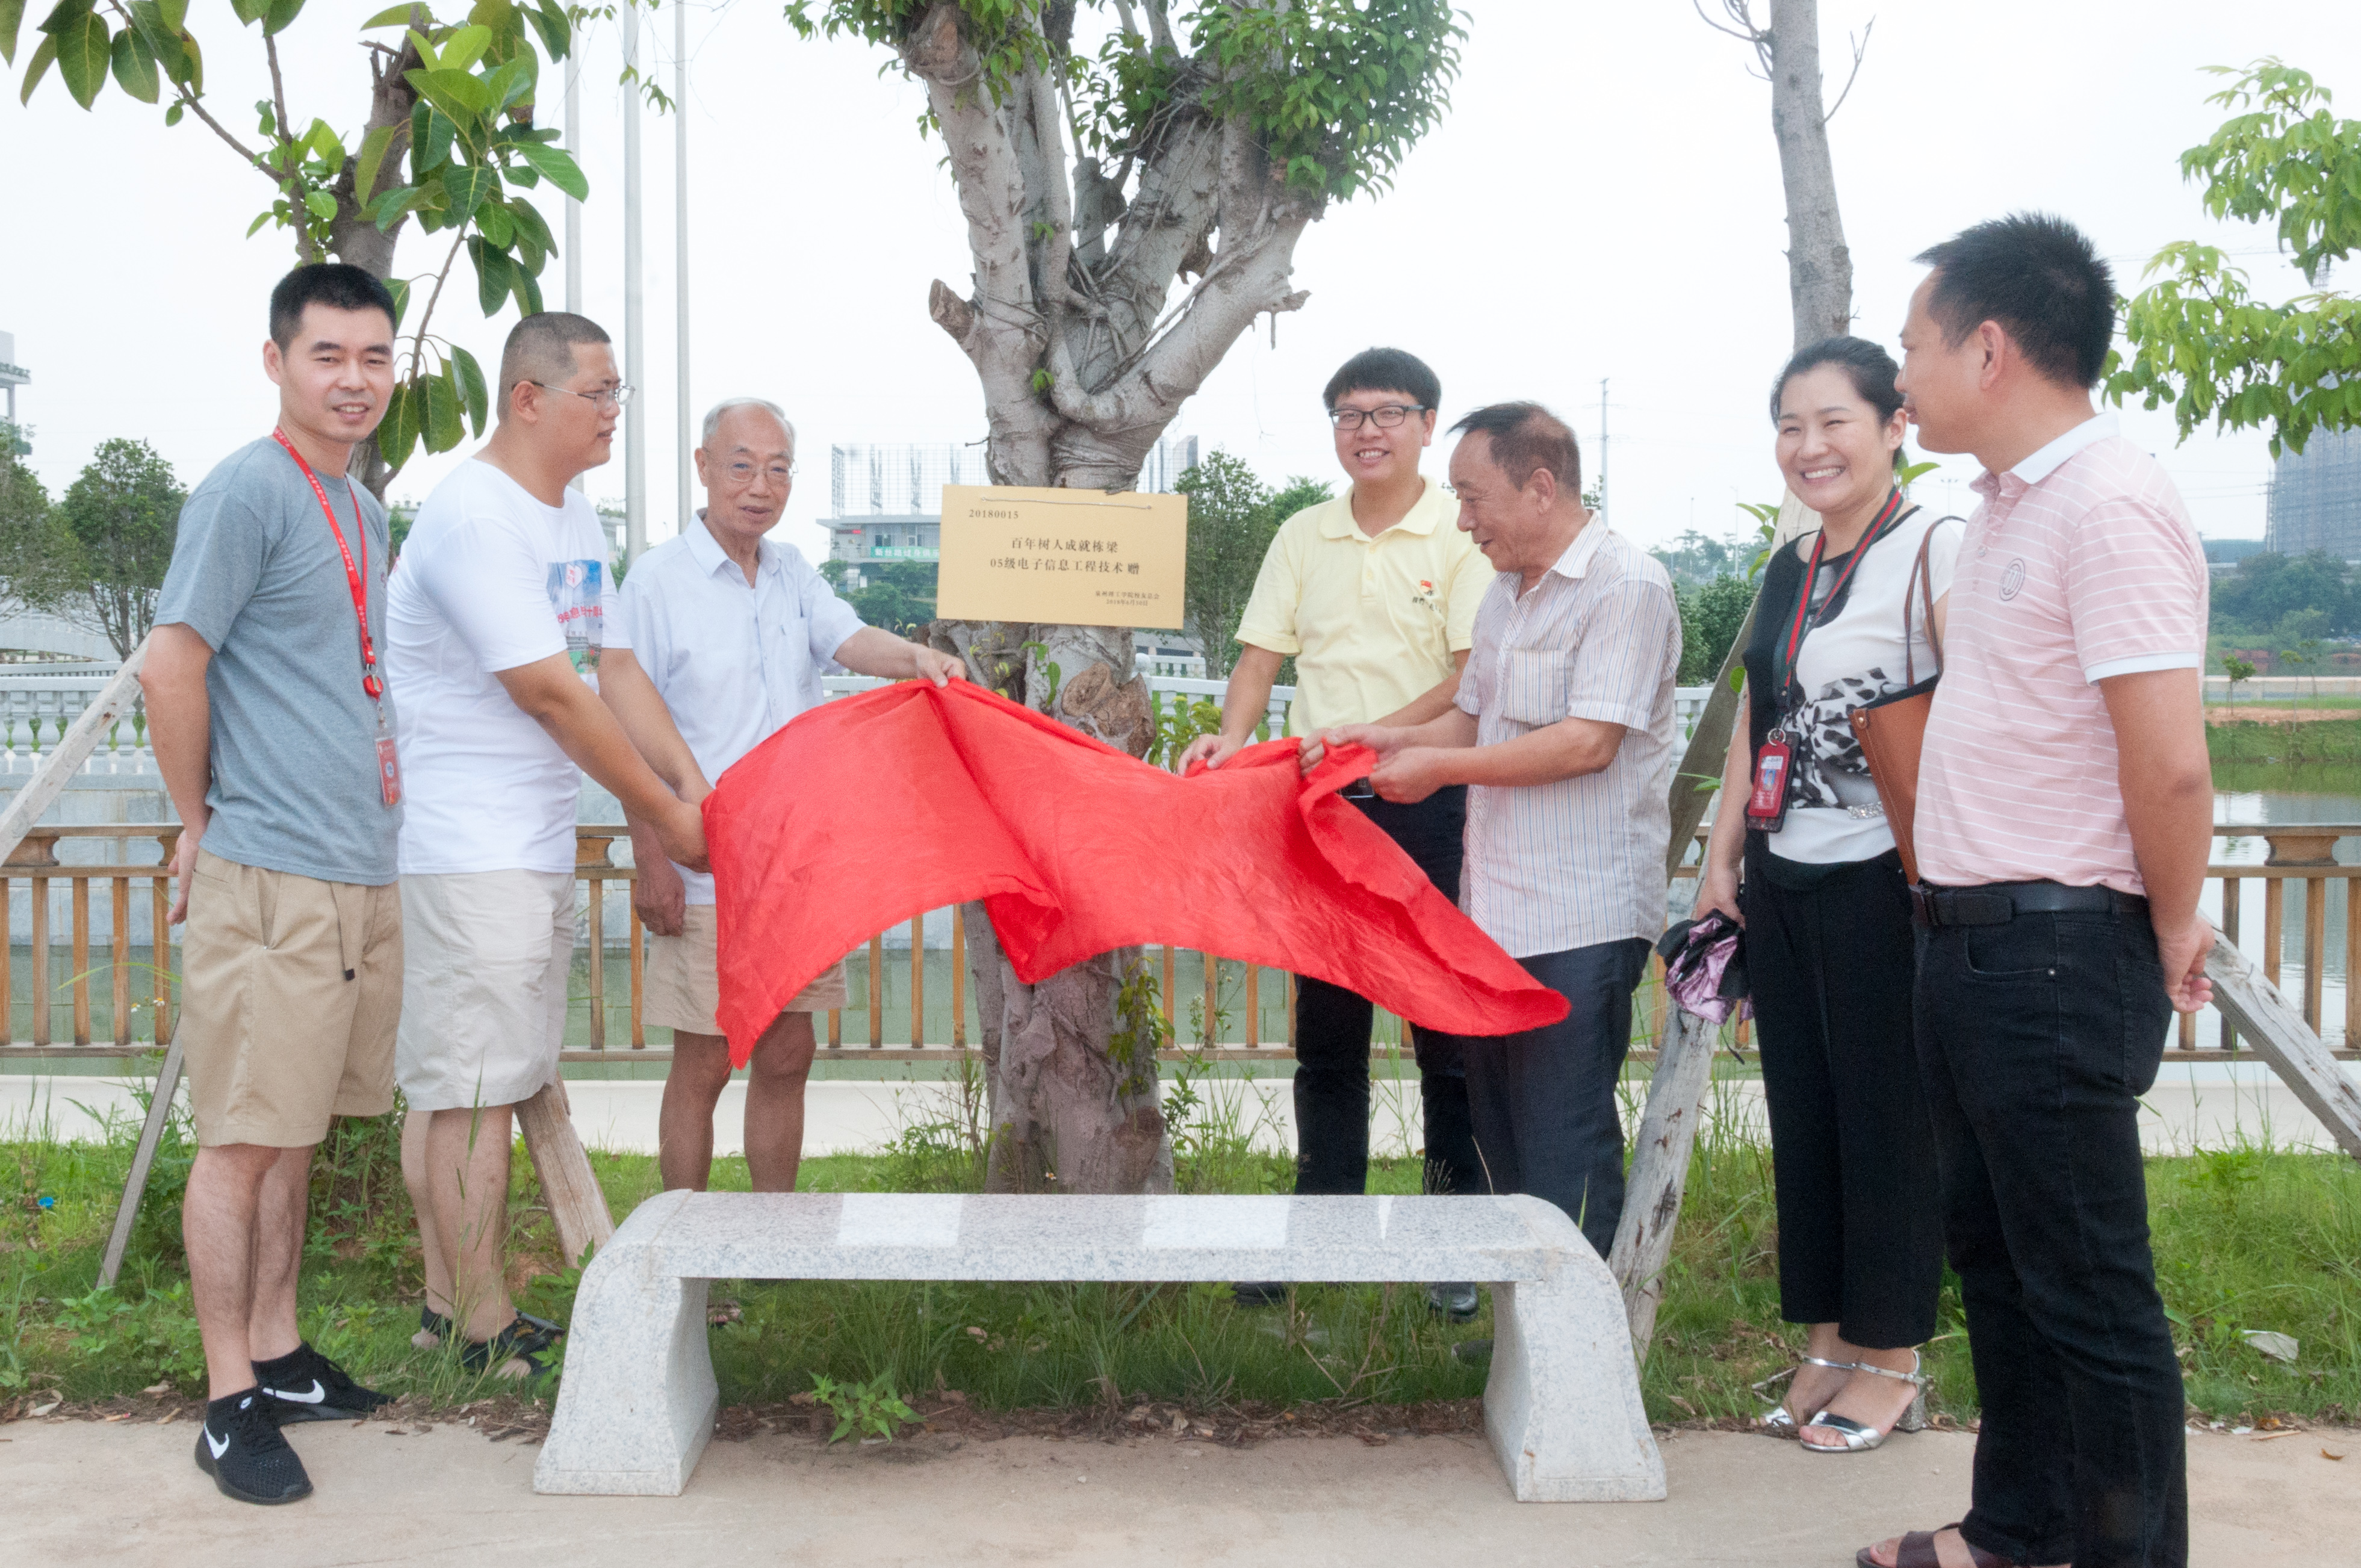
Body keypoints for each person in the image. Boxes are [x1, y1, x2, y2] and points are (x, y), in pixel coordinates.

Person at [1861, 215, 2212, 1568]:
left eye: (1911, 346)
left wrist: (2169, 923)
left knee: (2090, 1295)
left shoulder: (2109, 505)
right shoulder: (2009, 506)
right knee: (2001, 1269)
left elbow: (2167, 763)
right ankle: (2016, 1531)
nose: (1900, 375)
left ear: (1989, 348)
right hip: (1968, 942)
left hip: (2054, 953)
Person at [388, 312, 712, 1378]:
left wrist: (692, 785)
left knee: (472, 1081)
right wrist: (666, 816)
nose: (615, 411)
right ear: (528, 399)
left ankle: (451, 1310)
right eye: (599, 392)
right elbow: (551, 695)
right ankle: (478, 1326)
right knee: (471, 1091)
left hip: (527, 844)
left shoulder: (571, 512)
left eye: (619, 392)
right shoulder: (476, 520)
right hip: (469, 849)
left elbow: (612, 668)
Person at [143, 262, 406, 1504]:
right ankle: (226, 1398)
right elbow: (171, 664)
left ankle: (282, 1353)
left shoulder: (360, 507)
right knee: (244, 1139)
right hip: (271, 871)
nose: (353, 380)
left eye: (373, 357)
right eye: (326, 356)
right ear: (276, 362)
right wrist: (200, 822)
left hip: (356, 869)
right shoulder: (245, 490)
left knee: (297, 1131)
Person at [1306, 402, 1680, 1260]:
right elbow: (1474, 717)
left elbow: (1587, 742)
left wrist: (1439, 770)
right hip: (1495, 913)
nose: (1464, 521)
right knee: (1503, 1142)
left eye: (1473, 499)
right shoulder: (1505, 595)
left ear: (1540, 486)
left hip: (1582, 917)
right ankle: (1523, 1321)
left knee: (1561, 1145)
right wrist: (1382, 741)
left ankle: (1583, 1328)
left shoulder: (1625, 586)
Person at [1177, 347, 1491, 1319]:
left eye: (1388, 412)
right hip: (1322, 805)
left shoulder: (1459, 534)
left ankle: (1452, 1244)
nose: (1367, 431)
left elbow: (1471, 679)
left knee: (1443, 1028)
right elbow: (1258, 660)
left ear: (1427, 424)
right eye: (1349, 415)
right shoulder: (1302, 534)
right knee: (1327, 1033)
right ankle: (1320, 1235)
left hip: (1426, 795)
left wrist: (1383, 738)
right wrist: (1229, 742)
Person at [1693, 336, 1955, 1451]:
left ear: (1893, 425)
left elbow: (1978, 710)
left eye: (1834, 421)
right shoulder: (1788, 564)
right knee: (1804, 1115)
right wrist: (1721, 860)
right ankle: (1826, 1342)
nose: (1809, 446)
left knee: (1886, 1120)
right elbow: (1756, 718)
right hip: (1783, 870)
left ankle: (1890, 1359)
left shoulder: (1933, 546)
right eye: (1790, 426)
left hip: (1885, 877)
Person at [625, 397, 964, 1194]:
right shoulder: (656, 582)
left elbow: (849, 640)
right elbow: (626, 731)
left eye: (778, 469)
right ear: (703, 467)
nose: (760, 486)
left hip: (796, 870)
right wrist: (651, 862)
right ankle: (685, 1238)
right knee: (706, 1060)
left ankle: (774, 1233)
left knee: (788, 1054)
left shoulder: (792, 574)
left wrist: (918, 657)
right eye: (741, 465)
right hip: (705, 868)